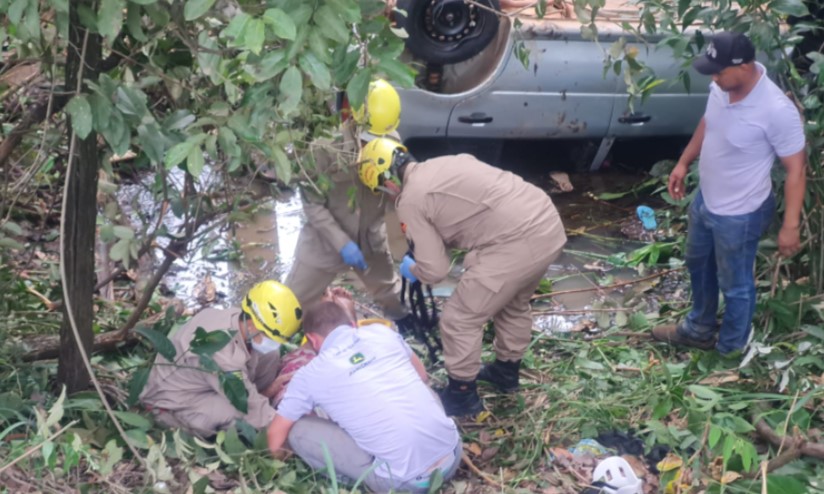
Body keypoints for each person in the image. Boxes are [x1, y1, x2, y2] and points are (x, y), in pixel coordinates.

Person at [357, 138, 568, 416]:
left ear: (389, 181)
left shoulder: (410, 201)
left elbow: (435, 270)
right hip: (547, 224)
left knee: (459, 319)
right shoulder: (446, 162)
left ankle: (462, 395)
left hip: (515, 242)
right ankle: (506, 372)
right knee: (512, 303)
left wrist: (413, 269)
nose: (386, 195)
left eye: (382, 189)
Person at [652, 32, 807, 354]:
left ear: (745, 66)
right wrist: (683, 162)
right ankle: (698, 329)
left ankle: (730, 349)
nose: (713, 78)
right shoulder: (722, 88)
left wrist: (790, 225)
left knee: (735, 284)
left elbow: (796, 169)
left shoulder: (776, 110)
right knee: (698, 264)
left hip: (741, 214)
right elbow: (709, 122)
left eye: (719, 72)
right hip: (706, 200)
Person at [267, 300, 462, 493]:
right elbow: (422, 376)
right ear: (352, 324)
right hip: (453, 455)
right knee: (420, 390)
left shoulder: (311, 374)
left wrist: (275, 466)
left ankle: (353, 479)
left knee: (297, 430)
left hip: (404, 484)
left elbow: (275, 437)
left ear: (312, 339)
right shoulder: (383, 333)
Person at [286, 79, 412, 328]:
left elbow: (402, 196)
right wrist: (342, 243)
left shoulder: (392, 142)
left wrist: (415, 242)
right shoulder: (325, 148)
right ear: (354, 120)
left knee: (395, 299)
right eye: (368, 137)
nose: (373, 143)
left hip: (370, 242)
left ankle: (409, 330)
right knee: (291, 308)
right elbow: (312, 204)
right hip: (324, 244)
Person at [140, 280, 302, 437]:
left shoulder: (236, 317)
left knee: (271, 355)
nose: (273, 343)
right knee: (234, 411)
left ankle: (261, 399)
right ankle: (260, 414)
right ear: (252, 324)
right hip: (172, 404)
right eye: (270, 337)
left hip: (201, 381)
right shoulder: (224, 357)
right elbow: (246, 404)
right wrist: (285, 429)